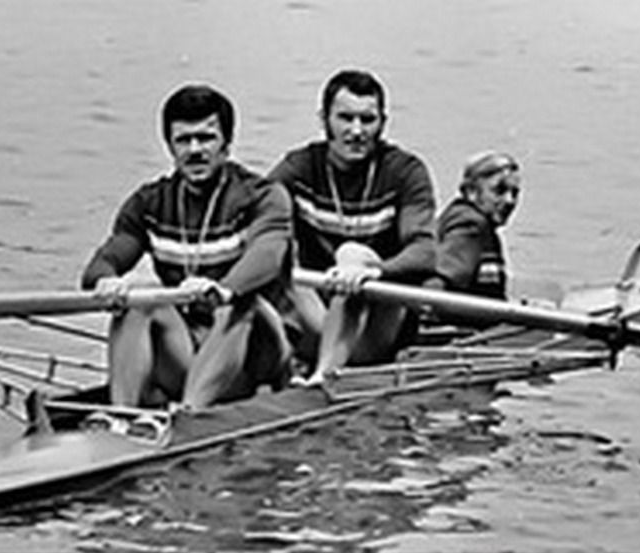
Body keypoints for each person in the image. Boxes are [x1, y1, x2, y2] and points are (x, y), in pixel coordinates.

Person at [81, 84, 293, 413]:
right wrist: (106, 282)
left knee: (243, 305)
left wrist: (224, 290)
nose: (194, 150)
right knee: (140, 298)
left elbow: (269, 255)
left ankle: (189, 416)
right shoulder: (149, 203)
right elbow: (103, 262)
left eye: (206, 138)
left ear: (227, 144)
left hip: (256, 357)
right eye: (183, 140)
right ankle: (121, 416)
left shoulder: (262, 196)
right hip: (190, 353)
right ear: (169, 146)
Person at [268, 69, 437, 385]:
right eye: (345, 118)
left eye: (367, 120)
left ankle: (323, 375)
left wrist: (374, 272)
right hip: (317, 316)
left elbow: (425, 252)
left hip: (378, 323)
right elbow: (256, 221)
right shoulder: (299, 168)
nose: (357, 131)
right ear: (324, 120)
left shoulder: (405, 171)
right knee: (273, 252)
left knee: (351, 254)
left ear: (382, 123)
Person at [426, 150, 521, 300]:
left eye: (515, 193)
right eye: (499, 190)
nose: (510, 201)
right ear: (471, 192)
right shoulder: (470, 225)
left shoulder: (480, 226)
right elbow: (441, 280)